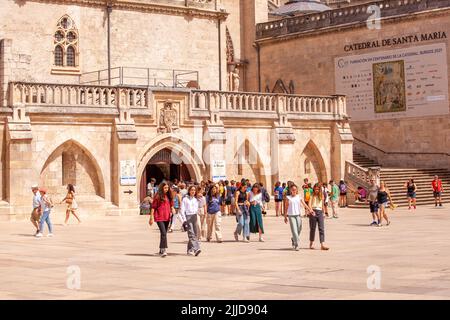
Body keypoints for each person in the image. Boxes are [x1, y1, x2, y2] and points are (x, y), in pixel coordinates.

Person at [283, 184, 311, 251]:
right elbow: (286, 207)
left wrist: (310, 210)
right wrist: (285, 216)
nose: (294, 190)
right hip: (291, 215)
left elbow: (304, 204)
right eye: (293, 189)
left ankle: (293, 238)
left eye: (295, 189)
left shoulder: (299, 197)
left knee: (299, 229)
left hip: (298, 215)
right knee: (294, 230)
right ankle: (296, 244)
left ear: (297, 190)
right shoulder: (288, 197)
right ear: (290, 190)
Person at [149, 182, 173, 257]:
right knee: (163, 233)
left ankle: (160, 249)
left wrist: (172, 209)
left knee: (164, 233)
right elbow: (153, 207)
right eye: (165, 188)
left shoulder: (169, 196)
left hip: (167, 217)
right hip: (159, 217)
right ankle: (163, 249)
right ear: (162, 188)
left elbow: (171, 205)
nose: (166, 189)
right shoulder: (158, 196)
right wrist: (151, 217)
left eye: (167, 188)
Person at [180, 186, 201, 256]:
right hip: (188, 217)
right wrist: (184, 220)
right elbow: (182, 210)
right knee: (191, 234)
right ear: (189, 191)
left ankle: (189, 249)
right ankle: (196, 248)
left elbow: (197, 209)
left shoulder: (195, 199)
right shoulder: (185, 199)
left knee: (195, 234)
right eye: (192, 190)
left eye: (194, 190)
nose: (193, 191)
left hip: (194, 217)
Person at [308, 183, 329, 250]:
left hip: (320, 212)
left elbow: (322, 205)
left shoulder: (321, 195)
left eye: (318, 189)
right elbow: (309, 204)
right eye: (315, 189)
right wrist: (311, 211)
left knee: (321, 228)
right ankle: (311, 244)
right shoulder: (312, 195)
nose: (316, 190)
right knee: (312, 228)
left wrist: (324, 213)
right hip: (313, 211)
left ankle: (322, 245)